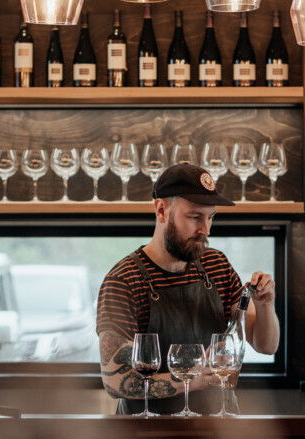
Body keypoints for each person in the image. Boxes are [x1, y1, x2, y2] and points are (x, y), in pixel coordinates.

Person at [97, 164, 280, 415]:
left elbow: (266, 346)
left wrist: (265, 305)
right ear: (161, 210)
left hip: (218, 427)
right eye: (194, 217)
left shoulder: (217, 265)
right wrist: (190, 379)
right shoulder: (124, 280)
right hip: (148, 434)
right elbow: (115, 381)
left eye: (211, 217)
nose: (205, 229)